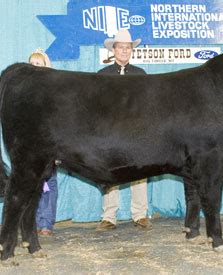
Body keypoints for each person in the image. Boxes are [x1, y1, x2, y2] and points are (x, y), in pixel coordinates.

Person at [96, 29, 152, 231]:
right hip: (111, 132)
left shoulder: (141, 75)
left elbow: (146, 105)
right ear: (114, 50)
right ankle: (109, 216)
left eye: (128, 47)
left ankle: (140, 214)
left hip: (135, 131)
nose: (124, 51)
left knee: (140, 170)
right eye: (121, 47)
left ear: (131, 50)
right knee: (111, 171)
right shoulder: (102, 76)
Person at [29, 49, 58, 236]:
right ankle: (36, 222)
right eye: (31, 64)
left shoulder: (52, 90)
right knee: (33, 184)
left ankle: (46, 223)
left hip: (48, 143)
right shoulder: (25, 91)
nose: (34, 68)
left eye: (38, 64)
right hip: (31, 144)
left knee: (49, 183)